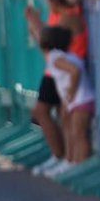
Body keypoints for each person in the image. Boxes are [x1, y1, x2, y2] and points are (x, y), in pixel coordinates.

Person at [37, 25, 95, 176]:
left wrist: (71, 93)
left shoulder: (55, 57)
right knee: (71, 131)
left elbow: (74, 72)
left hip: (80, 100)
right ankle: (71, 162)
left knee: (78, 134)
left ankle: (80, 167)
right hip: (78, 101)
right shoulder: (68, 55)